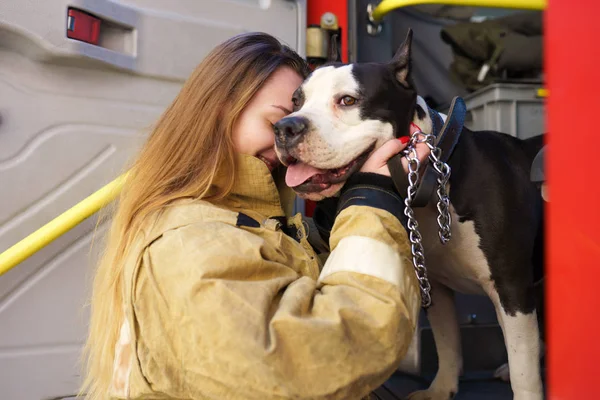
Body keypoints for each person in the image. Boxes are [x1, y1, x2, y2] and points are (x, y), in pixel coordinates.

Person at [82, 32, 430, 400]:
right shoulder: (188, 243)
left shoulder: (236, 220)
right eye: (279, 124)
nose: (291, 142)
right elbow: (321, 363)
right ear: (217, 113)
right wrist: (371, 201)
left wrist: (335, 216)